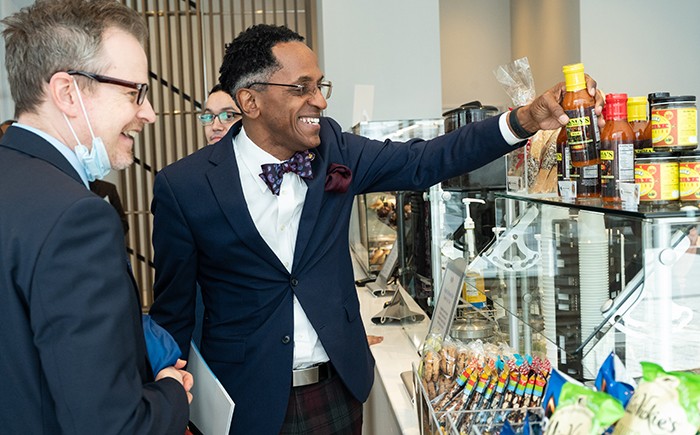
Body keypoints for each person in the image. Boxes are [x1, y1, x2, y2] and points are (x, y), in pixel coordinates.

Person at [149, 24, 603, 434]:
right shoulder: (184, 186)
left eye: (320, 85)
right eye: (302, 88)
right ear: (249, 101)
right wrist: (171, 406)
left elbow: (425, 160)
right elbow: (174, 309)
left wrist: (521, 121)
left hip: (337, 391)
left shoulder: (335, 147)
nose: (321, 101)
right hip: (242, 401)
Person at [0, 1, 192, 433]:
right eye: (133, 92)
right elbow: (112, 425)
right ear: (68, 93)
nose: (149, 113)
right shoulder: (76, 218)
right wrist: (171, 392)